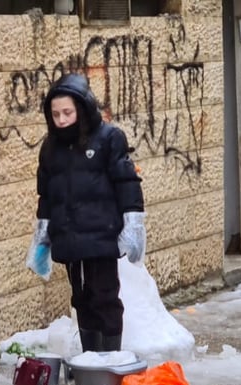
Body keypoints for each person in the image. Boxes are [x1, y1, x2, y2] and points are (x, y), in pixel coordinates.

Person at [35, 74, 145, 353]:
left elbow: (126, 182)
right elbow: (46, 194)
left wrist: (133, 222)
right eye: (55, 114)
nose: (61, 119)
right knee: (80, 298)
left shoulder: (109, 138)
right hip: (68, 238)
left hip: (101, 235)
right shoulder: (50, 148)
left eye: (67, 112)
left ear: (82, 109)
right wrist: (42, 235)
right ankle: (90, 356)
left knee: (104, 297)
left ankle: (110, 358)